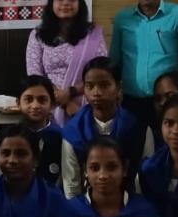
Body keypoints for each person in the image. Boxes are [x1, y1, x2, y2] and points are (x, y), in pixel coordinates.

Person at [110, 0, 178, 136]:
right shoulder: (122, 18)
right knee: (133, 146)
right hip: (131, 100)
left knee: (168, 144)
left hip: (167, 100)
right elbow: (115, 60)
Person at [61, 58, 154, 198]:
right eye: (90, 86)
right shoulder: (73, 131)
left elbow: (146, 178)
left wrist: (136, 207)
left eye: (104, 85)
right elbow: (71, 184)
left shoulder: (138, 128)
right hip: (86, 205)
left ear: (118, 87)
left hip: (130, 203)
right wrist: (77, 209)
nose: (96, 92)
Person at [26, 0, 108, 127]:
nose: (65, 3)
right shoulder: (38, 35)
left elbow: (101, 72)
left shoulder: (93, 34)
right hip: (48, 106)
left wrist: (71, 92)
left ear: (80, 3)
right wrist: (65, 102)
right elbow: (34, 74)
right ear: (52, 3)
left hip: (85, 105)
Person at [17, 75, 65, 186]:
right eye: (28, 100)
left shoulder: (62, 138)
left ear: (52, 104)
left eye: (42, 100)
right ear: (18, 103)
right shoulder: (10, 137)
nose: (35, 106)